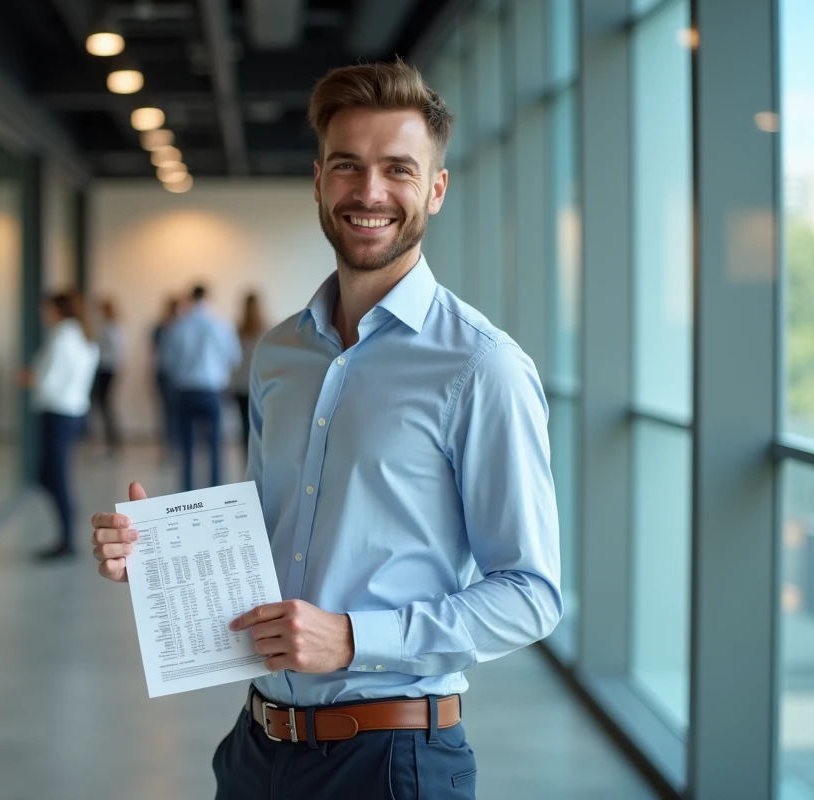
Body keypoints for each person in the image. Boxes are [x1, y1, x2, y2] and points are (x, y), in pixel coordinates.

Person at [90, 59, 561, 799]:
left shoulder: (481, 366)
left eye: (398, 169)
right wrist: (159, 560)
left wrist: (351, 638)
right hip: (256, 747)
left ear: (436, 189)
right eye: (347, 166)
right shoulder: (279, 352)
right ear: (318, 181)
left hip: (393, 761)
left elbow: (531, 594)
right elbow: (270, 530)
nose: (369, 192)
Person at [23, 292, 100, 560]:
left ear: (58, 310)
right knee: (51, 474)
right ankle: (68, 515)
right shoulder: (84, 337)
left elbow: (48, 381)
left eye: (46, 309)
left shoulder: (62, 338)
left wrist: (29, 379)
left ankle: (67, 533)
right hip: (75, 413)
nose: (43, 314)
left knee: (54, 476)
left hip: (57, 413)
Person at [159, 285, 240, 491]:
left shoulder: (178, 326)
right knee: (214, 447)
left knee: (187, 448)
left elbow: (167, 362)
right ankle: (215, 491)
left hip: (185, 392)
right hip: (212, 391)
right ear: (208, 298)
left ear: (189, 298)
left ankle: (187, 492)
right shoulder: (221, 325)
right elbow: (234, 357)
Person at [230, 291, 267, 459]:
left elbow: (232, 359)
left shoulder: (237, 330)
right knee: (261, 424)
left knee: (245, 425)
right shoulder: (266, 330)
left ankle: (248, 459)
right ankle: (259, 458)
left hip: (241, 385)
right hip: (259, 384)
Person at [91, 298, 125, 456]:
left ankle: (113, 442)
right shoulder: (109, 326)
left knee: (105, 405)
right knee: (104, 405)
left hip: (108, 369)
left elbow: (115, 351)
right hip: (107, 369)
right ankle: (111, 441)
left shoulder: (112, 327)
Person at [150, 296, 182, 463]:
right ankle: (169, 448)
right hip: (167, 374)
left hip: (176, 375)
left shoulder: (183, 326)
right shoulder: (162, 327)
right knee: (167, 413)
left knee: (173, 413)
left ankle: (174, 447)